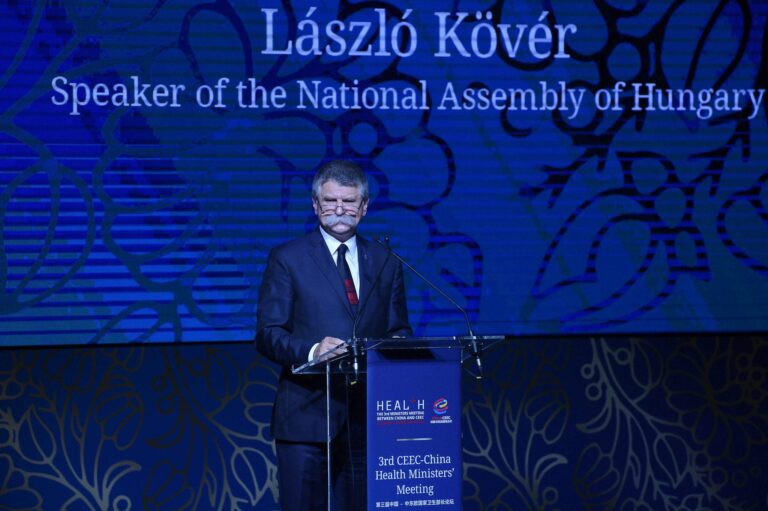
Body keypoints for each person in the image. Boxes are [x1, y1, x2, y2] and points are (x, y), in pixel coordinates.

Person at [255, 159, 412, 511]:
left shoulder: (386, 260)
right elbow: (268, 334)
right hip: (306, 417)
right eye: (330, 201)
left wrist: (397, 348)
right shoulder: (287, 258)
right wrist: (313, 351)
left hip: (367, 419)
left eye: (349, 201)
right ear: (315, 205)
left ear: (364, 206)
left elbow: (398, 329)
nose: (339, 209)